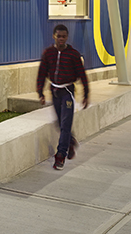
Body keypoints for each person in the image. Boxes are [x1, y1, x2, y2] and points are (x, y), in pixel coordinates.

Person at [36, 24, 91, 170]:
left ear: (67, 37)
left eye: (64, 36)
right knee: (59, 124)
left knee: (66, 124)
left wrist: (86, 94)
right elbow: (42, 73)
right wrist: (40, 92)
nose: (61, 39)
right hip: (55, 91)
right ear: (54, 36)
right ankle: (71, 142)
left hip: (67, 92)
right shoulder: (48, 53)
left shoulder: (73, 54)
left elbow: (82, 75)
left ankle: (60, 155)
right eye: (58, 36)